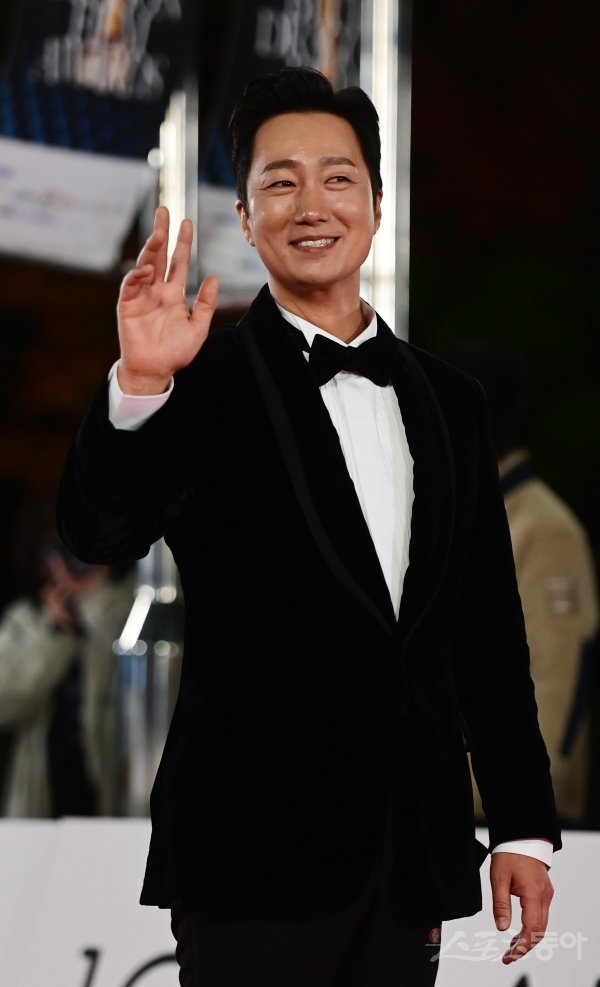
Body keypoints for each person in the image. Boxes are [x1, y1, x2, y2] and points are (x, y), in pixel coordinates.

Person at [57, 67, 561, 986]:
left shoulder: (451, 401)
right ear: (245, 217)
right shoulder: (201, 381)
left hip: (408, 855)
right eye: (280, 182)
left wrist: (523, 824)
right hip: (247, 853)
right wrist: (140, 385)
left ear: (376, 202)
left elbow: (487, 630)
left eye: (337, 177)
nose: (312, 204)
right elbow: (100, 533)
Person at [438, 339, 600, 828]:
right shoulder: (463, 513)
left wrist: (521, 804)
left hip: (504, 823)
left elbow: (556, 685)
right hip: (454, 814)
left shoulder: (543, 528)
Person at [0, 528, 135, 817]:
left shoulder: (132, 611)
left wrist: (95, 603)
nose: (75, 566)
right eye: (65, 556)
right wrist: (53, 635)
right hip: (43, 797)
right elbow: (5, 703)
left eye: (88, 558)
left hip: (113, 799)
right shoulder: (26, 620)